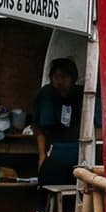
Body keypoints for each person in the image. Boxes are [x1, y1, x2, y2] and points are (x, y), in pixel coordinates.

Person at [32, 57, 83, 188]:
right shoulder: (46, 95)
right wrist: (42, 156)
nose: (60, 81)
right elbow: (39, 128)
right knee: (49, 181)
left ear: (73, 78)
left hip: (77, 152)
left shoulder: (81, 95)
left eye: (64, 77)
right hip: (53, 151)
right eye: (56, 76)